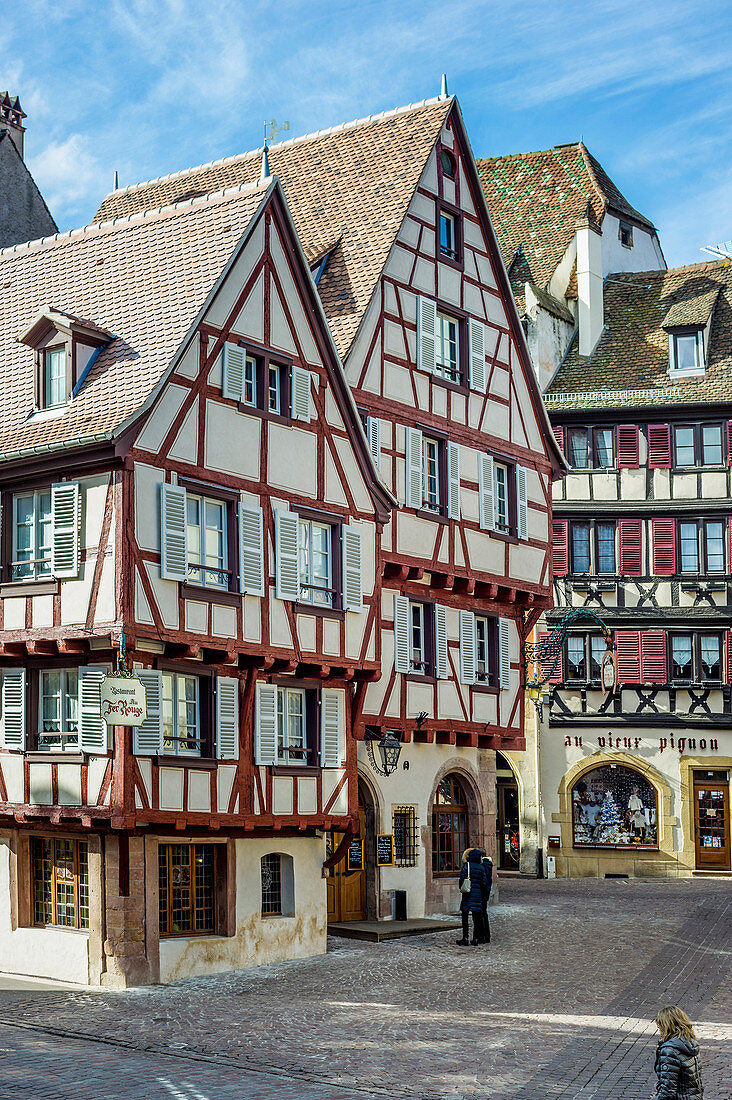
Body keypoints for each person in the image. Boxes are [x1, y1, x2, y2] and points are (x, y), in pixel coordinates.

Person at [654, 1006, 704, 1099]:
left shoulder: (670, 1050)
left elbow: (668, 1090)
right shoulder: (691, 1043)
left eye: (659, 1027)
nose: (659, 1031)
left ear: (666, 1026)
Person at [455, 847, 488, 946]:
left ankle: (465, 937)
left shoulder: (467, 865)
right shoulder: (481, 868)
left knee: (465, 917)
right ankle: (476, 938)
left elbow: (461, 878)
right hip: (477, 895)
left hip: (467, 894)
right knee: (476, 918)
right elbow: (484, 883)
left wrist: (462, 888)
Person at [479, 851, 493, 943]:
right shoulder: (488, 865)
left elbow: (483, 881)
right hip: (486, 892)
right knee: (484, 913)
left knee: (481, 914)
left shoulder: (483, 866)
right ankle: (486, 936)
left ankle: (483, 936)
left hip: (482, 892)